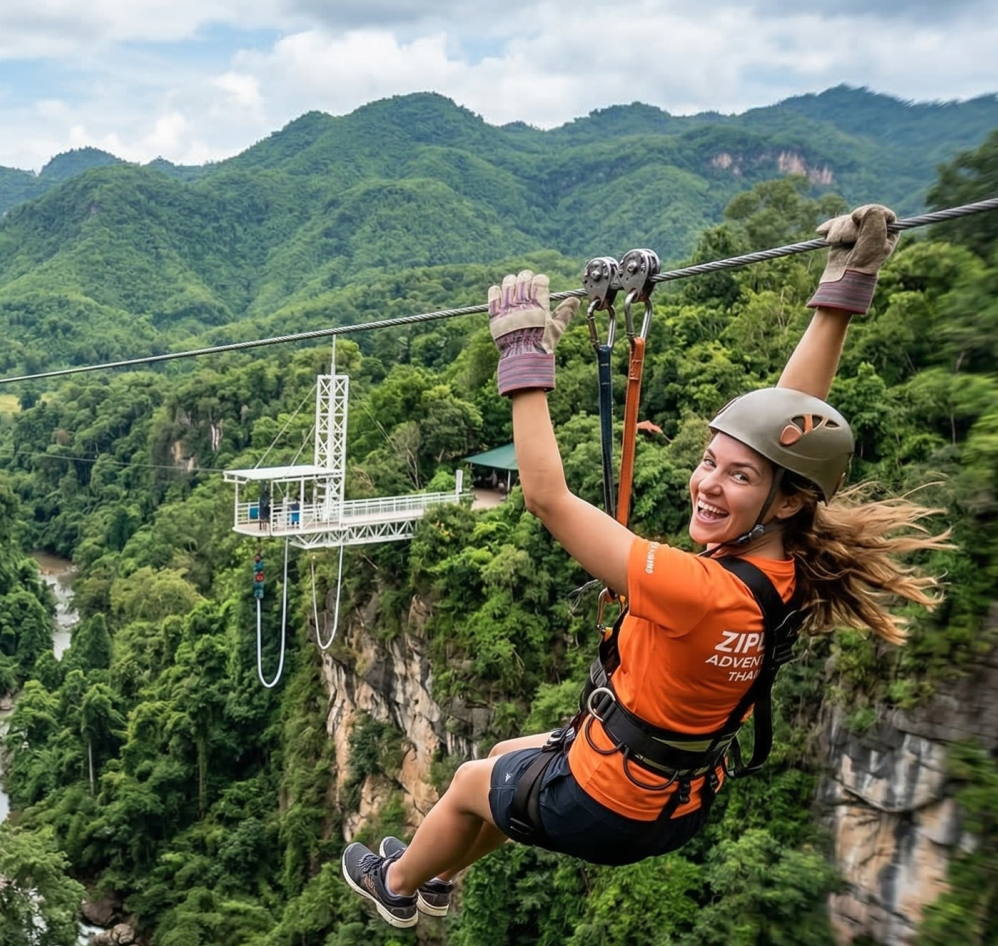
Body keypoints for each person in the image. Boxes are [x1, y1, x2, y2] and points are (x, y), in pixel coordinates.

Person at [341, 205, 952, 928]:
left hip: (610, 803)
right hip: (673, 796)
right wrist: (842, 290)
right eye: (708, 460)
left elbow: (545, 496)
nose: (706, 484)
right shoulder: (789, 568)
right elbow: (790, 418)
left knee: (475, 779)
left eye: (738, 479)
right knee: (512, 752)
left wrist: (525, 362)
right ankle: (442, 873)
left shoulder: (699, 590)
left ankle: (401, 884)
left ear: (785, 502)